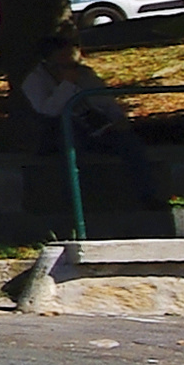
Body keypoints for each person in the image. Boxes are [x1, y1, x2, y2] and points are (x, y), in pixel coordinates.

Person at [19, 33, 157, 234]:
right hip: (58, 132)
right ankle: (78, 208)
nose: (69, 65)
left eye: (71, 59)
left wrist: (118, 119)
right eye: (62, 61)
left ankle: (147, 197)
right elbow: (48, 110)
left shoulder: (85, 74)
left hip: (97, 128)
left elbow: (105, 101)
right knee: (72, 151)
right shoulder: (35, 80)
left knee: (130, 144)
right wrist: (67, 85)